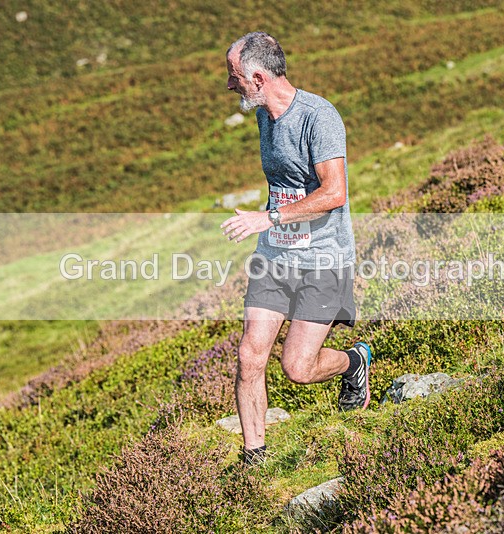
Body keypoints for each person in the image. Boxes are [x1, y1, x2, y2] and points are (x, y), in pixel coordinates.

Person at [220, 31, 372, 467]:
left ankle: (353, 362)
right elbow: (284, 185)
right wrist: (271, 224)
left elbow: (335, 193)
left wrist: (266, 218)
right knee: (250, 353)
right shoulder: (264, 115)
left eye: (235, 78)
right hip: (275, 257)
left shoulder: (318, 117)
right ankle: (255, 459)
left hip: (323, 257)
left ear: (259, 76)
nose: (230, 86)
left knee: (298, 369)